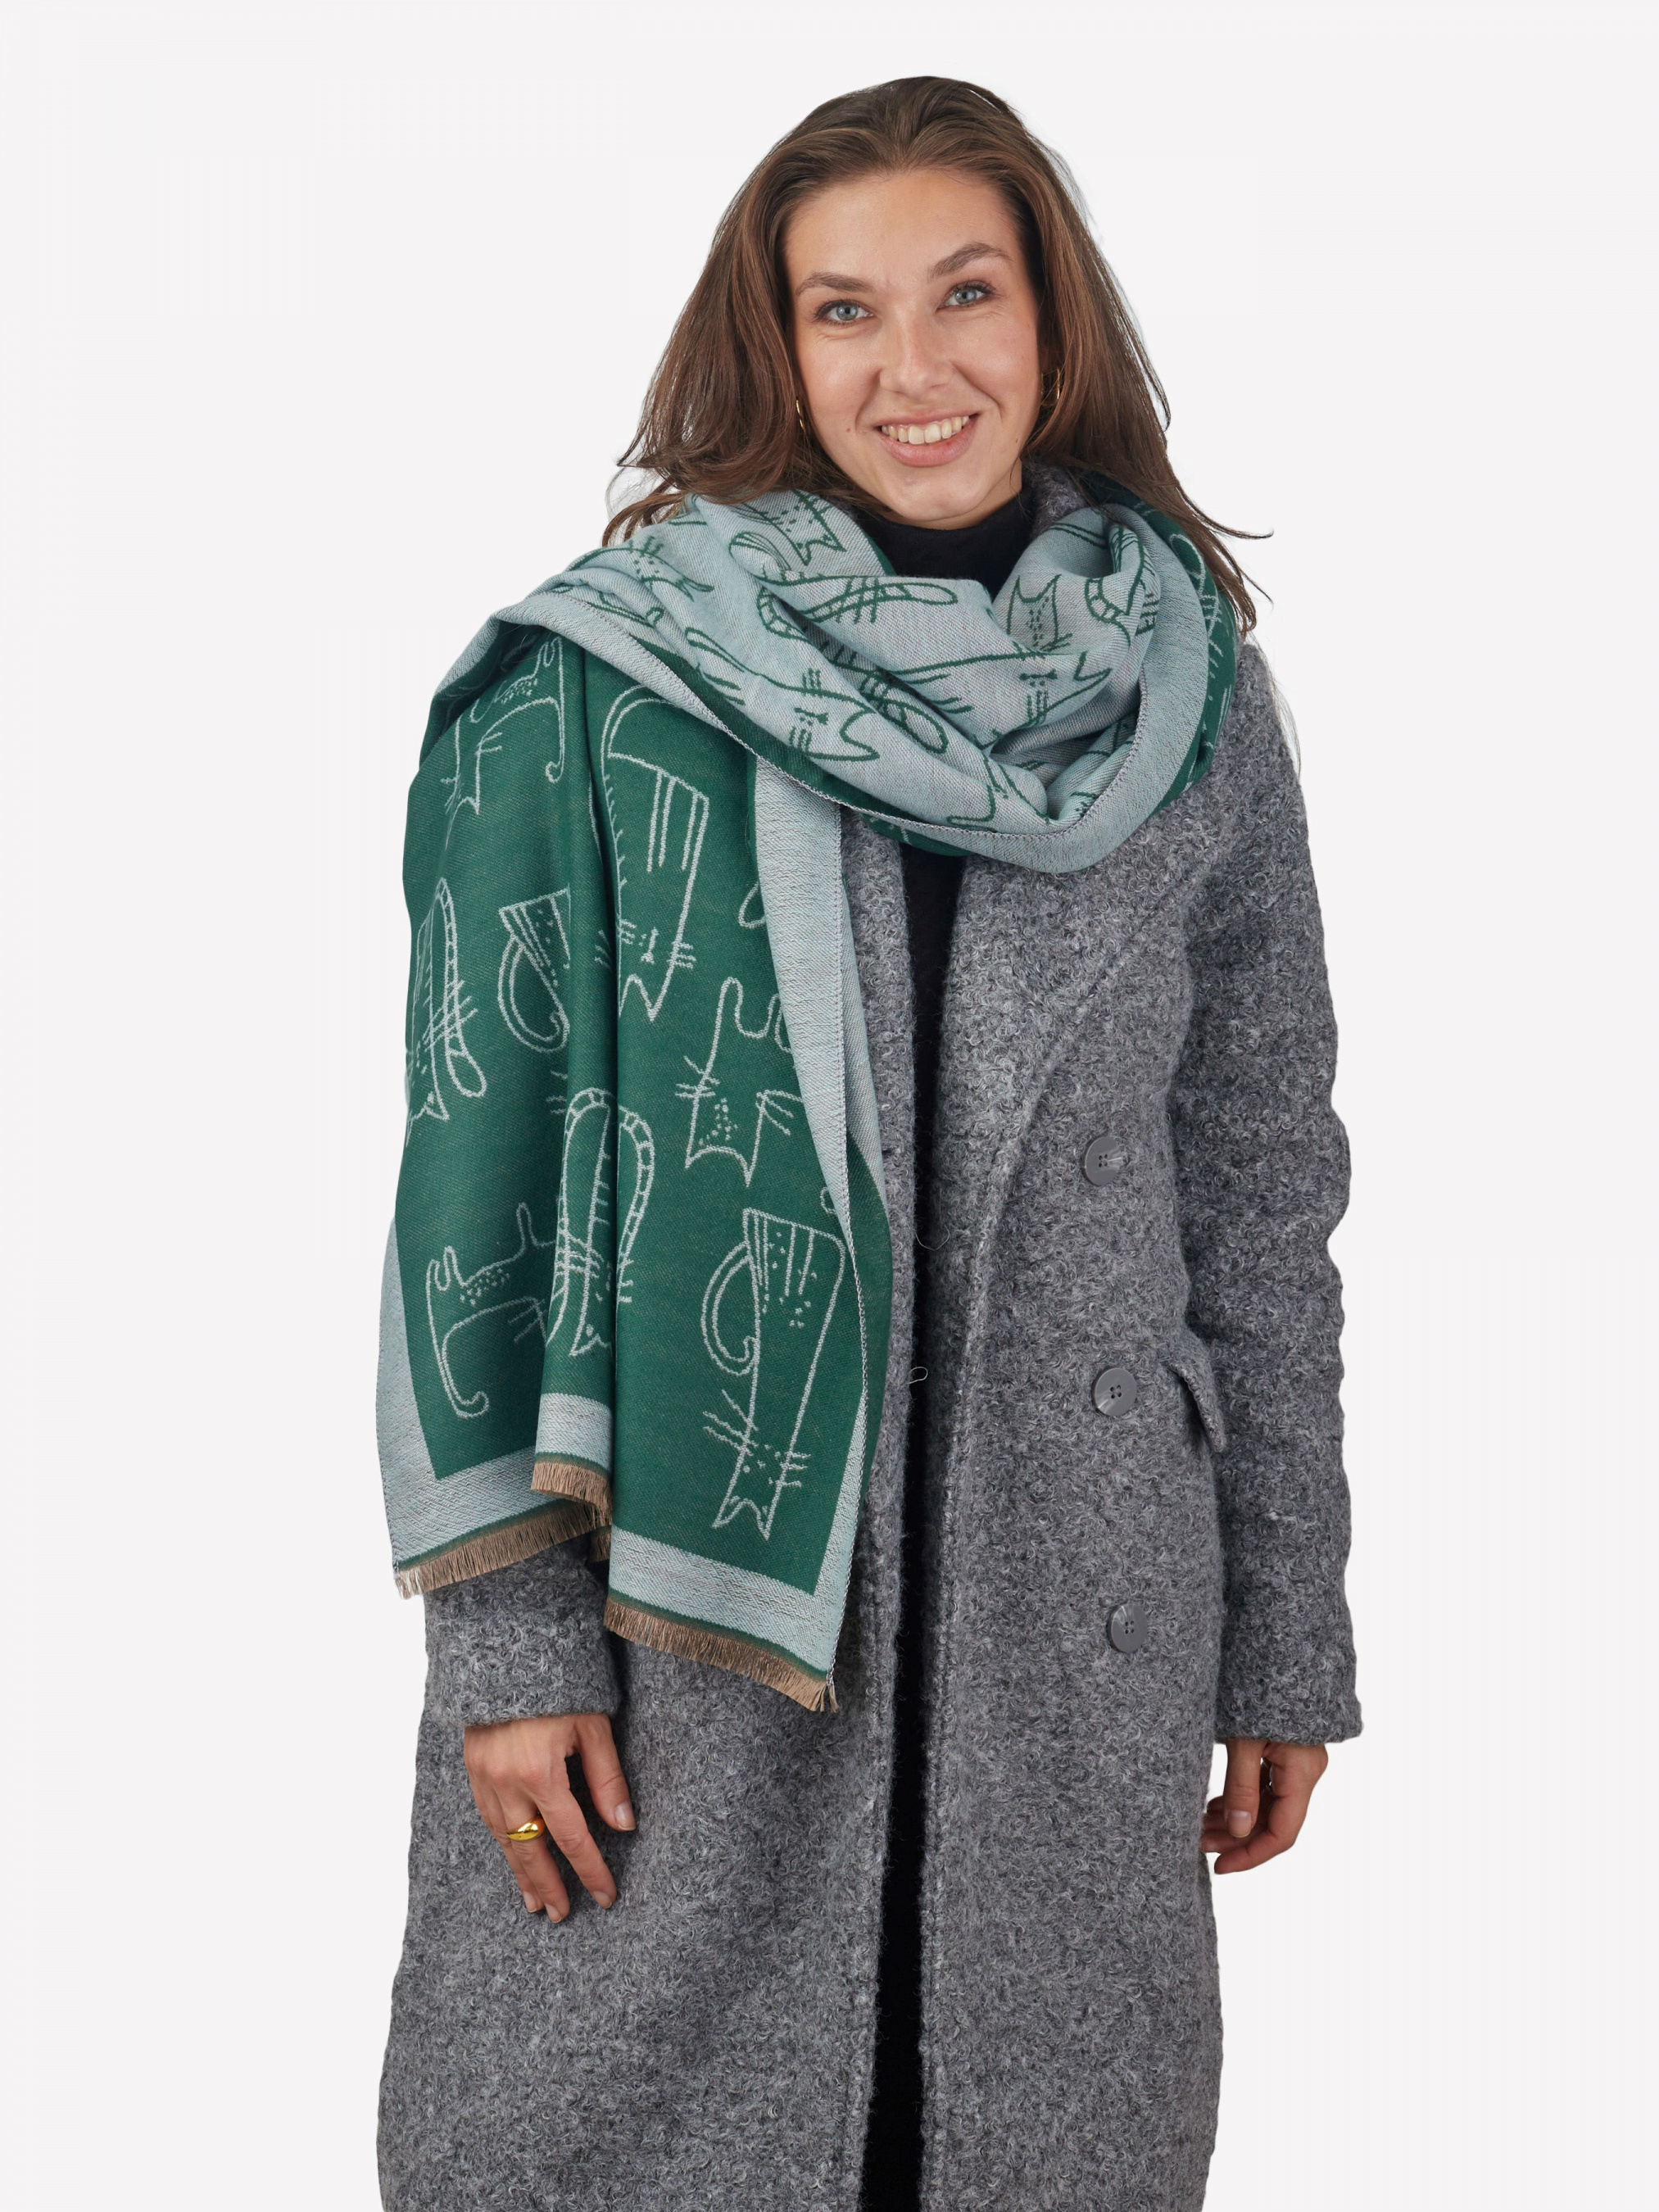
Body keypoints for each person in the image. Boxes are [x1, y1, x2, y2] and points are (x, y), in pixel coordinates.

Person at [374, 75, 1360, 2212]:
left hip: (1080, 1605)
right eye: (843, 311)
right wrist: (509, 1639)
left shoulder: (1184, 692)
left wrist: (1286, 1620)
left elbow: (1261, 1183)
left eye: (965, 294)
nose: (914, 366)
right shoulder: (607, 681)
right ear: (778, 346)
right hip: (678, 1635)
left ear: (1052, 317)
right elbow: (482, 1179)